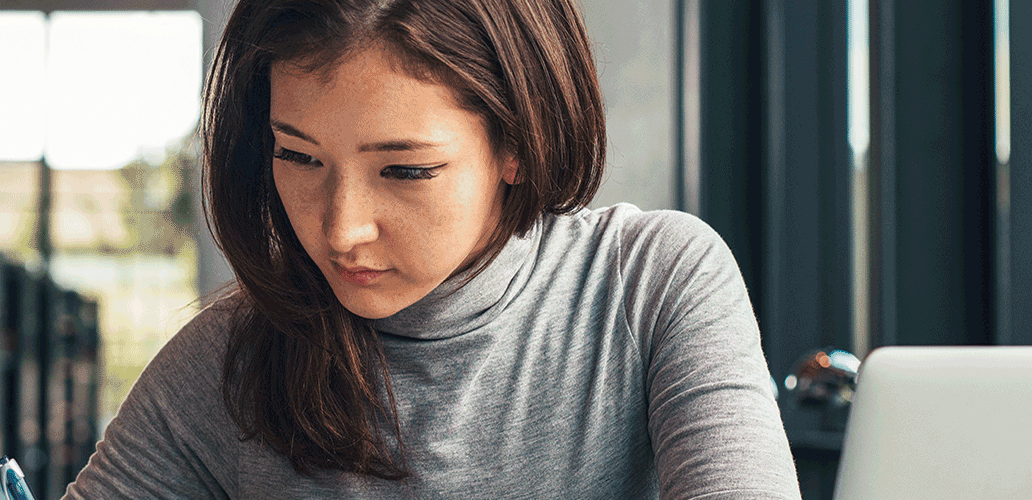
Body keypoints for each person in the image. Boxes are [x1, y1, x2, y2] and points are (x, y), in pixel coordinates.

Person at [65, 0, 799, 497]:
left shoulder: (654, 282)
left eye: (405, 170)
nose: (341, 228)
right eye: (299, 157)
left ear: (516, 142)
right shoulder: (229, 358)